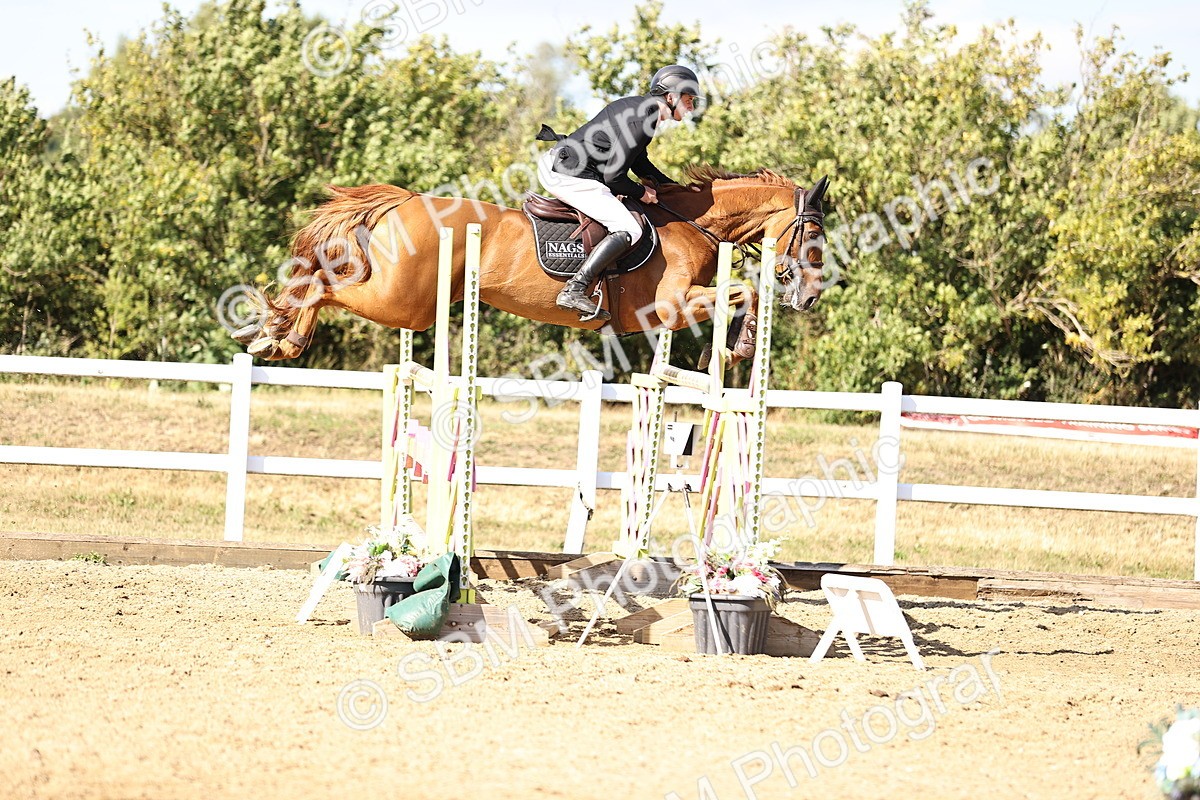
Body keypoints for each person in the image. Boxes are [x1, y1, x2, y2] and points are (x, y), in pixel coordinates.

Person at [536, 64, 706, 321]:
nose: (692, 107)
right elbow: (614, 177)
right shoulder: (643, 119)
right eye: (688, 99)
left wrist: (676, 189)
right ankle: (575, 288)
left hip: (569, 165)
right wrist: (641, 193)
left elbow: (640, 163)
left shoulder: (641, 110)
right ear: (670, 97)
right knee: (630, 229)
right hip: (568, 174)